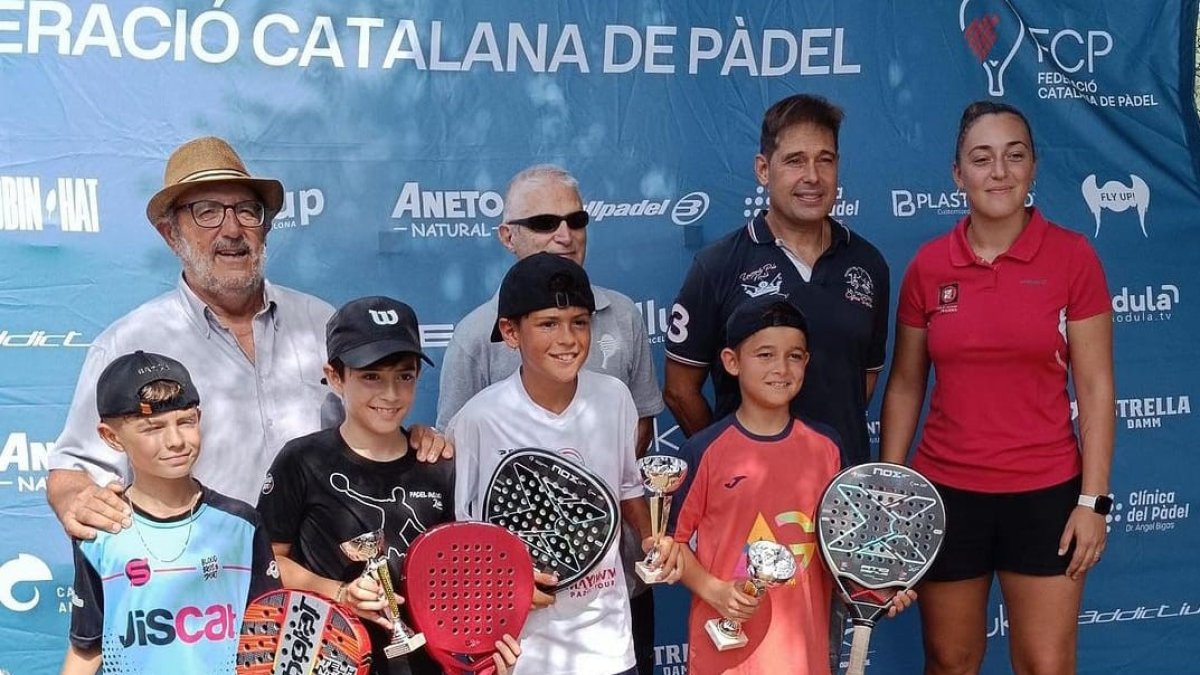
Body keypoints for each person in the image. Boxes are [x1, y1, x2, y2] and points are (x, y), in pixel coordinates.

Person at [47, 136, 448, 542]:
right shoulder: (129, 343)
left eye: (247, 211)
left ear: (266, 228)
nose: (233, 229)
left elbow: (365, 425)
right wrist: (78, 497)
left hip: (316, 584)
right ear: (171, 234)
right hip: (198, 582)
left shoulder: (320, 321)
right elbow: (74, 468)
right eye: (207, 212)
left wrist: (412, 443)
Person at [879, 100, 1114, 675]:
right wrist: (888, 490)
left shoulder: (1073, 257)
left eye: (1014, 156)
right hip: (947, 497)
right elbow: (906, 385)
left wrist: (1094, 500)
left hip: (1047, 496)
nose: (999, 172)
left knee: (1046, 666)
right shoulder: (929, 267)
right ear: (958, 174)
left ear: (1034, 165)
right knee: (950, 663)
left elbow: (1097, 385)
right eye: (981, 159)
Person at [436, 165, 664, 674]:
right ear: (510, 333)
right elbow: (468, 527)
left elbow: (629, 484)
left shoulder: (616, 395)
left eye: (578, 323)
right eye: (547, 325)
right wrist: (504, 588)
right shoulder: (477, 417)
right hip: (525, 646)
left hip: (611, 641)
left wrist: (653, 541)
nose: (566, 338)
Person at [257, 295, 517, 675]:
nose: (391, 394)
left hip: (427, 663)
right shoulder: (301, 460)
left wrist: (479, 653)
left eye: (404, 376)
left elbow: (468, 573)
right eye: (371, 377)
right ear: (334, 376)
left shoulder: (439, 463)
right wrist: (341, 594)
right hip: (331, 658)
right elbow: (269, 563)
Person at [667, 297, 912, 675]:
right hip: (728, 658)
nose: (781, 368)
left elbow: (845, 548)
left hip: (805, 658)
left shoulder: (826, 448)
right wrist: (714, 590)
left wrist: (877, 589)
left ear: (807, 363)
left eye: (794, 356)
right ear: (732, 361)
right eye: (764, 355)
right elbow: (670, 545)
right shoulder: (704, 451)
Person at [664, 94, 890, 470]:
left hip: (840, 492)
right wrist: (728, 460)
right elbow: (679, 390)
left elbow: (862, 381)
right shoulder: (717, 264)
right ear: (763, 170)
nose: (813, 177)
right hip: (748, 496)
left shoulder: (868, 264)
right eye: (795, 161)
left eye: (825, 160)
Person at [62, 351, 279, 674]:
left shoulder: (242, 524)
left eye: (185, 421)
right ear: (111, 436)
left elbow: (269, 638)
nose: (176, 440)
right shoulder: (99, 532)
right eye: (153, 428)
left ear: (199, 418)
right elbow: (87, 646)